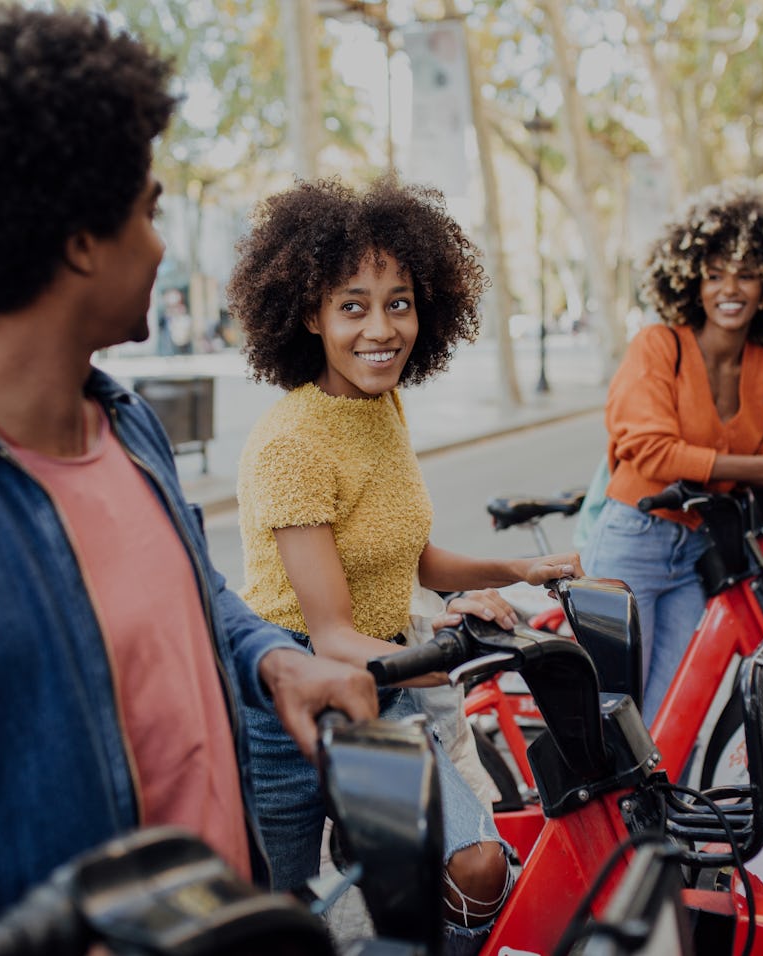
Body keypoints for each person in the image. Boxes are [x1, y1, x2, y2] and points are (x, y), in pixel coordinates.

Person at [0, 3, 379, 932]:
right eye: (148, 211)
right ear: (78, 240)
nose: (160, 245)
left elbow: (196, 595)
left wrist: (276, 663)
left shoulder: (129, 424)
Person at [228, 175, 583, 954]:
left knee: (480, 863)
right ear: (310, 315)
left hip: (386, 689)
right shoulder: (291, 443)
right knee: (281, 924)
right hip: (286, 710)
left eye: (400, 302)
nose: (381, 328)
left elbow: (414, 558)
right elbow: (329, 637)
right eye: (352, 305)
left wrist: (511, 578)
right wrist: (464, 657)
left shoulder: (383, 407)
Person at [582, 178, 763, 724]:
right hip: (633, 541)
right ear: (692, 280)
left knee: (674, 718)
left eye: (746, 274)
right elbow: (651, 451)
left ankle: (656, 813)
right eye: (715, 274)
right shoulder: (658, 346)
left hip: (699, 550)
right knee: (615, 718)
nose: (730, 289)